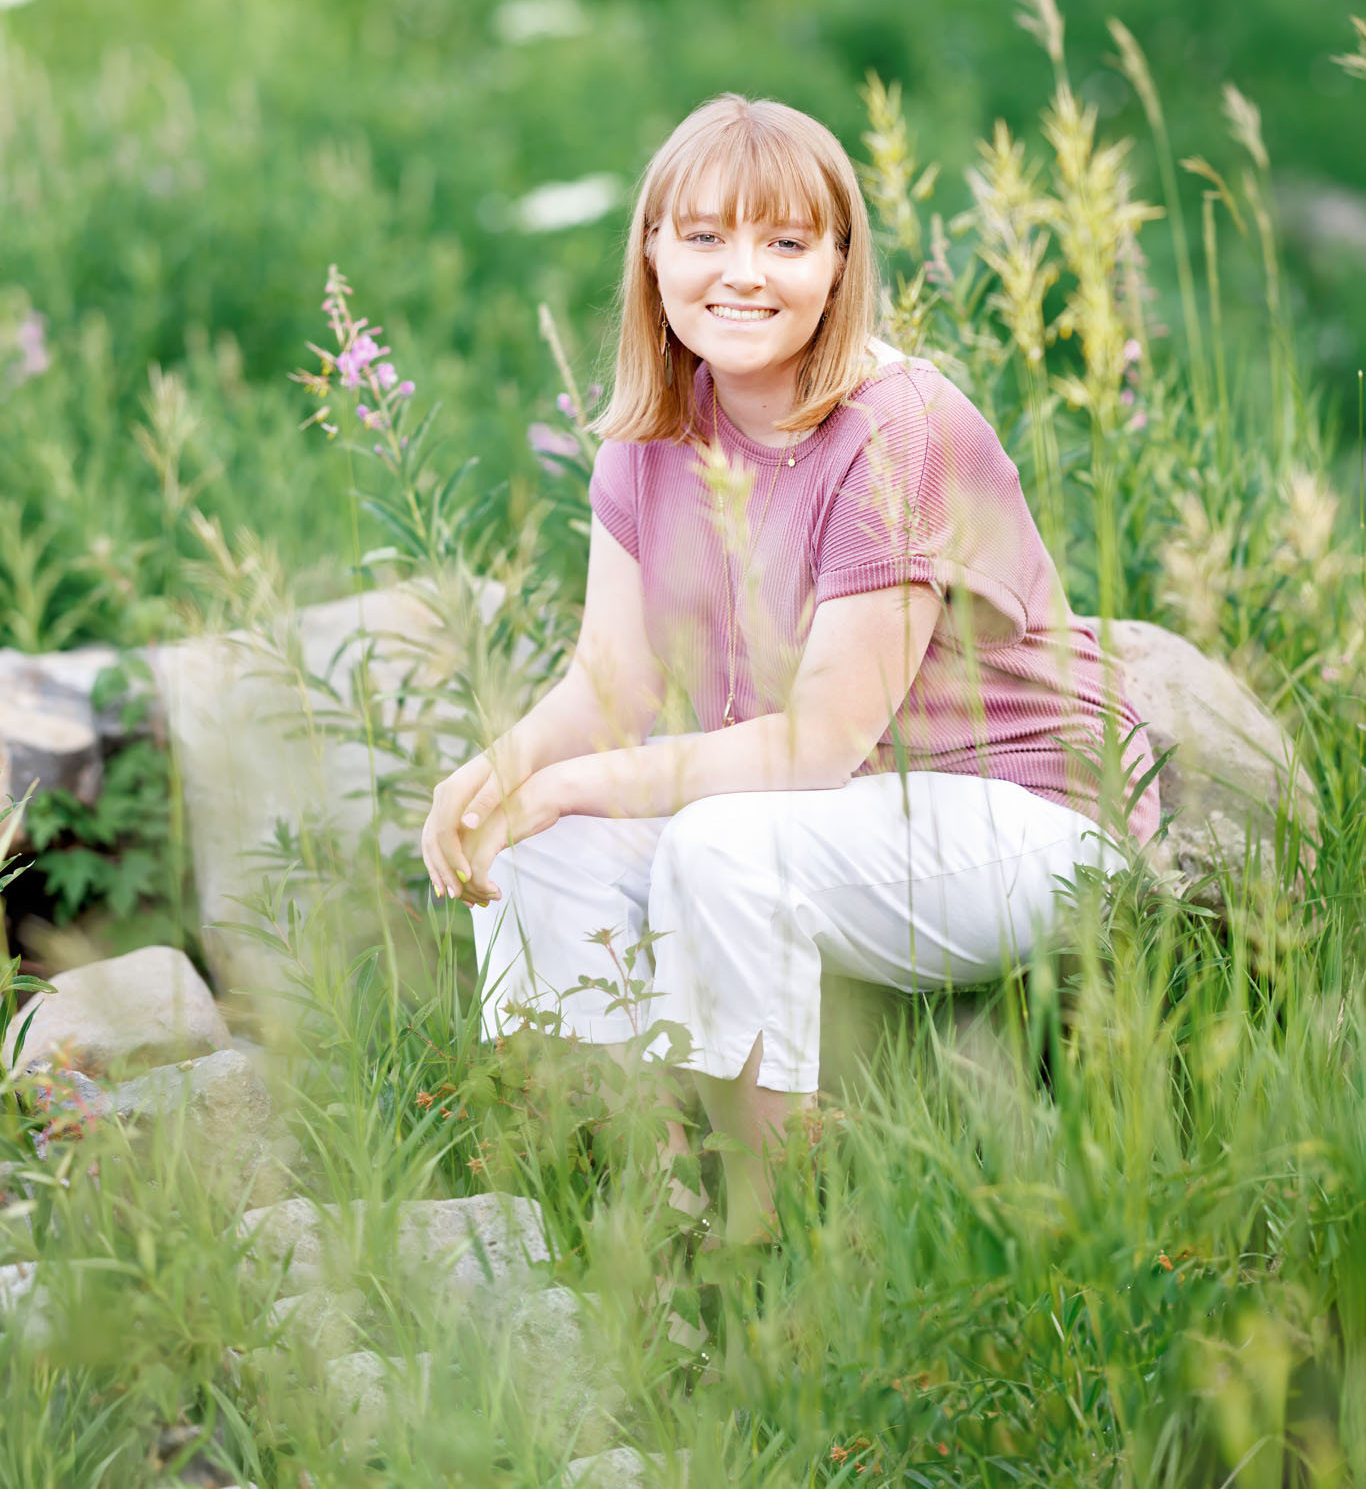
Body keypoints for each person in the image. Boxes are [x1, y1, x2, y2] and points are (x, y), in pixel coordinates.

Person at [421, 93, 1158, 1245]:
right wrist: (494, 778)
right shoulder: (652, 428)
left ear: (838, 262)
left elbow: (816, 750)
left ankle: (770, 1233)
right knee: (540, 840)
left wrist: (569, 780)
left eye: (784, 240)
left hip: (1023, 815)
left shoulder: (894, 427)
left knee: (724, 842)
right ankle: (648, 1203)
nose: (741, 274)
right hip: (848, 818)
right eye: (705, 235)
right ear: (653, 249)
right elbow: (609, 675)